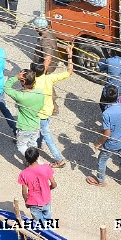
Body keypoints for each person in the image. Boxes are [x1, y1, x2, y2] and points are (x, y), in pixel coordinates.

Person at [33, 37, 72, 167]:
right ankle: (39, 144)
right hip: (49, 109)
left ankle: (59, 158)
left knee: (46, 133)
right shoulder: (49, 78)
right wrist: (69, 54)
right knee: (43, 131)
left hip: (40, 114)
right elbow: (69, 72)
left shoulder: (32, 84)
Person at [3, 69, 44, 157]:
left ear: (23, 81)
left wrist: (15, 78)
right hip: (36, 124)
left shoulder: (21, 96)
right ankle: (34, 158)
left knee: (21, 146)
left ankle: (32, 160)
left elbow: (6, 88)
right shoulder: (40, 92)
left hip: (24, 126)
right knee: (32, 144)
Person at [18, 146, 56, 222]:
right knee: (48, 219)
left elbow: (24, 193)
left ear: (26, 159)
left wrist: (26, 201)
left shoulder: (23, 173)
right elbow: (54, 184)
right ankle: (50, 232)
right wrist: (47, 189)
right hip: (46, 200)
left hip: (33, 202)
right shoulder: (46, 168)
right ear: (38, 157)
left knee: (39, 224)